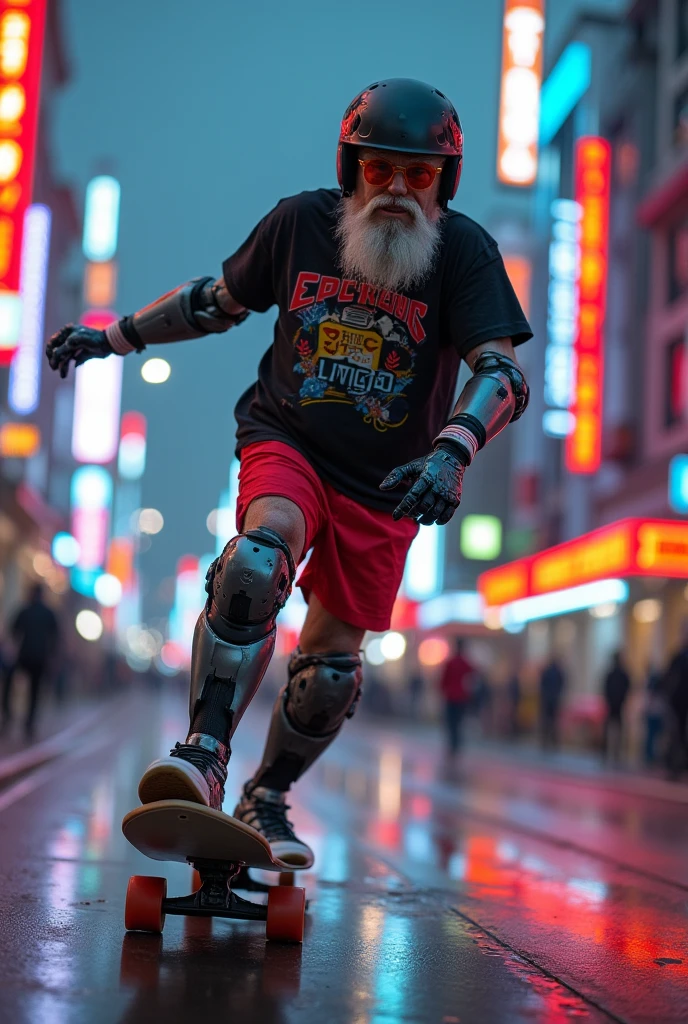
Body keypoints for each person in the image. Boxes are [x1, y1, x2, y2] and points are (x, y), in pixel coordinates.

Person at [46, 79, 531, 867]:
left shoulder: (465, 252)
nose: (401, 189)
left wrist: (453, 452)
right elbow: (216, 302)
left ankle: (266, 796)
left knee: (332, 670)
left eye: (421, 173)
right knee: (256, 558)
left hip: (393, 480)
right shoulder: (301, 223)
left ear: (446, 178)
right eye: (381, 170)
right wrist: (115, 339)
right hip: (289, 437)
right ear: (352, 168)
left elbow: (502, 372)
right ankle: (205, 752)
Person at [1, 583, 60, 738]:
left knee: (10, 681)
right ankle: (29, 722)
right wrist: (52, 657)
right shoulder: (49, 613)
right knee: (35, 691)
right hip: (40, 658)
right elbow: (55, 638)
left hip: (24, 656)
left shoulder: (24, 611)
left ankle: (8, 715)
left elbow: (13, 631)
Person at [438, 638, 475, 756]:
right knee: (459, 722)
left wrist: (443, 691)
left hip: (451, 697)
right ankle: (456, 744)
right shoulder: (465, 663)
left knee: (451, 722)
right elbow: (474, 676)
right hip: (461, 698)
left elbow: (443, 681)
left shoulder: (451, 663)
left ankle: (453, 744)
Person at [601, 650, 631, 764]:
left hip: (614, 704)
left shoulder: (614, 673)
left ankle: (609, 751)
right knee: (615, 728)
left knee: (612, 728)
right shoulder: (620, 673)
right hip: (616, 704)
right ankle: (612, 752)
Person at [539, 657, 565, 752]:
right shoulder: (558, 672)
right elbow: (562, 684)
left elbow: (542, 684)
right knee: (553, 721)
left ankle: (546, 741)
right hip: (554, 699)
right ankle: (553, 742)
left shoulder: (547, 671)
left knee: (547, 721)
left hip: (547, 699)